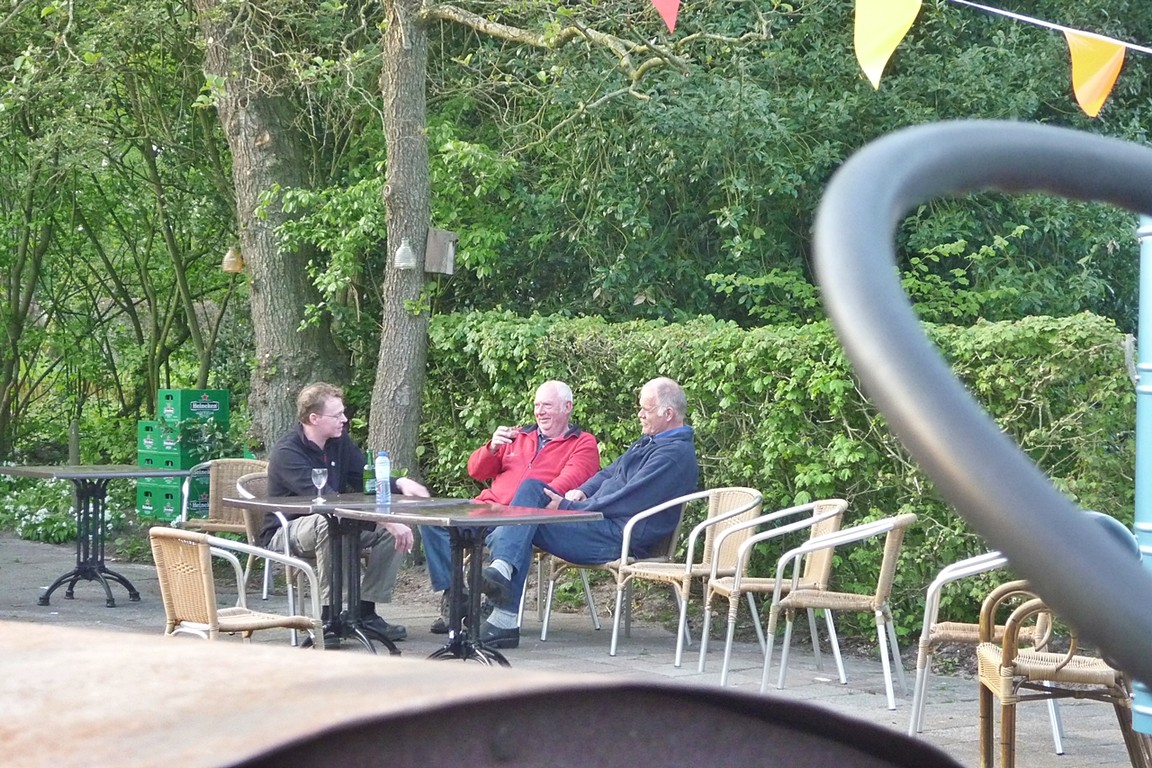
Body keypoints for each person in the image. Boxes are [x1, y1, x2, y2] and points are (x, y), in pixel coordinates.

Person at [477, 376, 699, 649]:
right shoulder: (650, 442)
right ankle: (502, 581)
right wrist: (582, 491)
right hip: (600, 524)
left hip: (620, 536)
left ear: (668, 414)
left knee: (525, 519)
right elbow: (608, 472)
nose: (640, 415)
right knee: (531, 492)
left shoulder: (673, 454)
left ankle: (503, 604)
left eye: (646, 409)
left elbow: (627, 499)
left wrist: (569, 507)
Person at [422, 380, 601, 634]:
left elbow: (567, 482)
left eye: (547, 405)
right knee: (434, 520)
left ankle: (494, 605)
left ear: (567, 407)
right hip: (487, 508)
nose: (540, 411)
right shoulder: (518, 435)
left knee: (516, 530)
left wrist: (528, 500)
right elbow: (476, 471)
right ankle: (457, 596)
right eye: (537, 405)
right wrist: (491, 448)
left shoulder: (582, 443)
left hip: (530, 516)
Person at [262, 382, 429, 645]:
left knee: (391, 529)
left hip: (338, 520)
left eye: (343, 413)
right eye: (337, 415)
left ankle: (365, 611)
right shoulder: (287, 452)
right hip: (287, 530)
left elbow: (365, 479)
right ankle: (330, 618)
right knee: (328, 524)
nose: (345, 419)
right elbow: (327, 502)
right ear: (314, 418)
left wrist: (400, 483)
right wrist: (385, 520)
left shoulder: (339, 443)